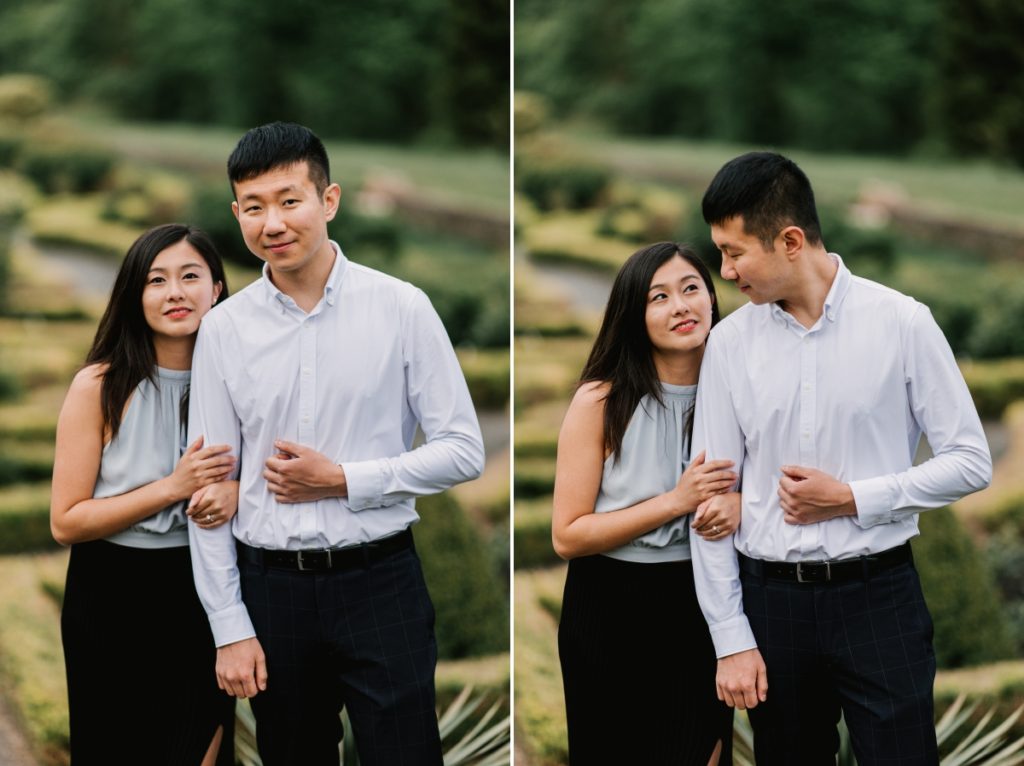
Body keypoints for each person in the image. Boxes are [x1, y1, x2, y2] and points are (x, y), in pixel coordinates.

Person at [186, 122, 484, 766]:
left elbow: (464, 448)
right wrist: (230, 627)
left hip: (381, 582)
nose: (273, 223)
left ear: (330, 200)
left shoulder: (402, 308)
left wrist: (344, 478)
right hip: (271, 593)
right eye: (254, 206)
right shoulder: (223, 330)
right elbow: (209, 493)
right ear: (236, 213)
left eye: (289, 200)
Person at [690, 151, 993, 765]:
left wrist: (852, 498)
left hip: (879, 599)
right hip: (771, 606)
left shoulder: (903, 323)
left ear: (791, 240)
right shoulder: (728, 345)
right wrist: (731, 638)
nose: (724, 271)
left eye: (734, 252)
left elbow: (970, 459)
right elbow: (710, 498)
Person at [51, 223, 238, 765]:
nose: (174, 292)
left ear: (217, 289)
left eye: (190, 277)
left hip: (202, 592)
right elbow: (66, 521)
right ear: (136, 295)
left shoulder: (239, 380)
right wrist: (172, 488)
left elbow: (273, 477)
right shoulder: (100, 386)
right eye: (156, 280)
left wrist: (238, 494)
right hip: (111, 595)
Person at [552, 241, 739, 765]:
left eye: (690, 289)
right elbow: (567, 535)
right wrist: (676, 501)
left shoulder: (741, 390)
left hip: (698, 600)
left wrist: (742, 506)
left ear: (711, 297)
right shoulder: (601, 400)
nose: (680, 306)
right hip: (608, 603)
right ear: (634, 315)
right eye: (659, 297)